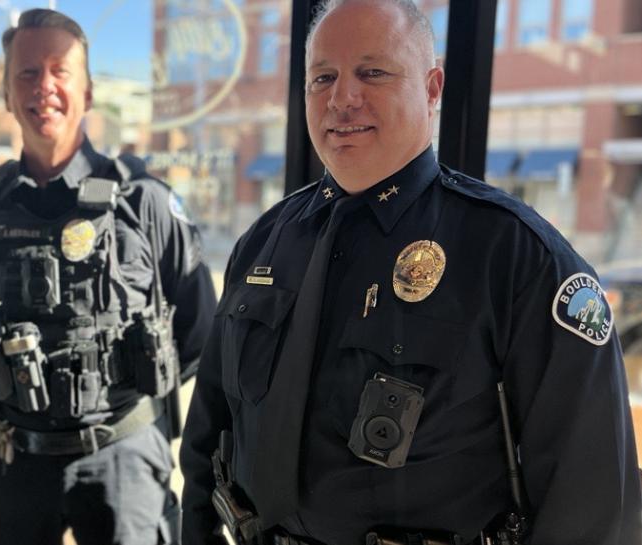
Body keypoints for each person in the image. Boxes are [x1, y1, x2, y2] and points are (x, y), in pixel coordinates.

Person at [179, 1, 642, 545]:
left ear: (432, 88)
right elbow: (209, 433)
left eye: (372, 72)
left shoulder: (517, 257)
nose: (341, 98)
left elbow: (589, 506)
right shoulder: (265, 241)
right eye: (322, 77)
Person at [0, 8, 216, 545]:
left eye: (60, 71)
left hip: (124, 461)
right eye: (26, 72)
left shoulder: (145, 204)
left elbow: (200, 331)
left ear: (87, 93)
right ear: (6, 93)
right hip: (12, 458)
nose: (44, 86)